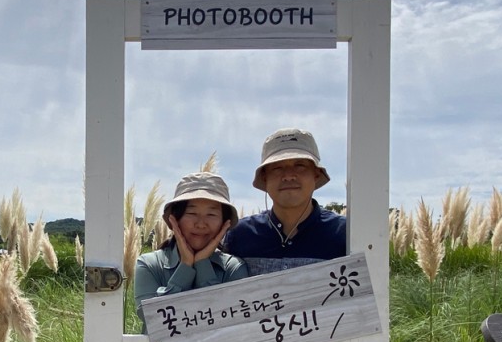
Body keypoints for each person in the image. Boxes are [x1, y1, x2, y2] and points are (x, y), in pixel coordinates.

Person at [225, 127, 346, 276]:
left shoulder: (344, 234)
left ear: (316, 174)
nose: (288, 176)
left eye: (300, 165)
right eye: (277, 168)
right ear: (265, 177)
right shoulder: (239, 235)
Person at [135, 172, 248, 325]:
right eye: (191, 213)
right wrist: (186, 266)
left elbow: (228, 320)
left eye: (211, 214)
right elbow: (152, 319)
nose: (201, 224)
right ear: (175, 218)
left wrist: (201, 262)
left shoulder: (233, 268)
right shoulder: (149, 264)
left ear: (224, 222)